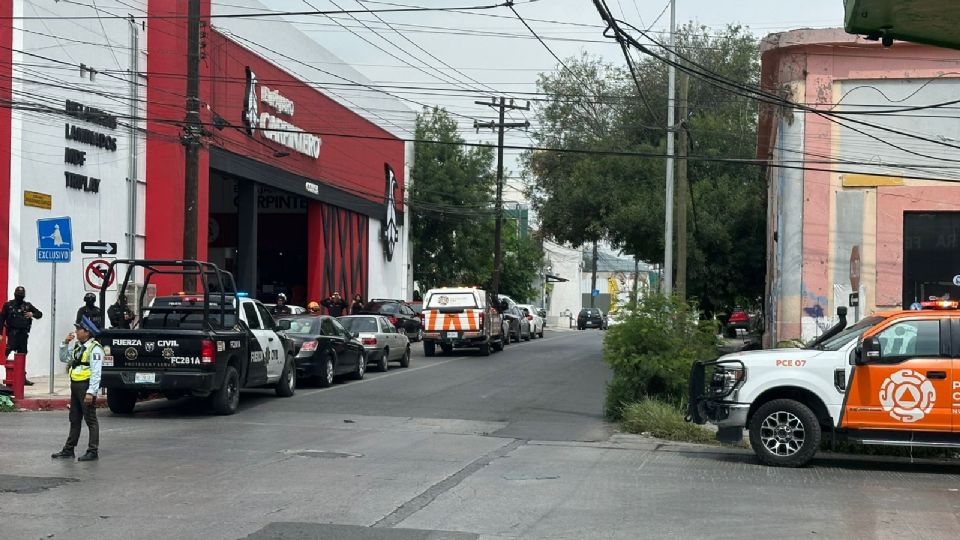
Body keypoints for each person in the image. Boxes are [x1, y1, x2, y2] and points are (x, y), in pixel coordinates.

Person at [51, 316, 103, 462]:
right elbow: (64, 358)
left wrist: (91, 392)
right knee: (74, 418)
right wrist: (65, 343)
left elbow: (96, 372)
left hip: (85, 386)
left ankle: (93, 451)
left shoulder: (95, 349)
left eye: (78, 329)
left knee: (90, 419)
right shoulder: (78, 347)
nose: (76, 332)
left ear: (87, 332)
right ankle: (69, 449)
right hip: (75, 385)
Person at [0, 286, 43, 386]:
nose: (20, 297)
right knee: (8, 352)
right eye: (18, 295)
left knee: (22, 355)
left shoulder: (27, 306)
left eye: (21, 295)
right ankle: (6, 376)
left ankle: (22, 377)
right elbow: (2, 319)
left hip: (23, 334)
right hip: (12, 333)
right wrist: (1, 333)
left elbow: (40, 314)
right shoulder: (8, 305)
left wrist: (32, 314)